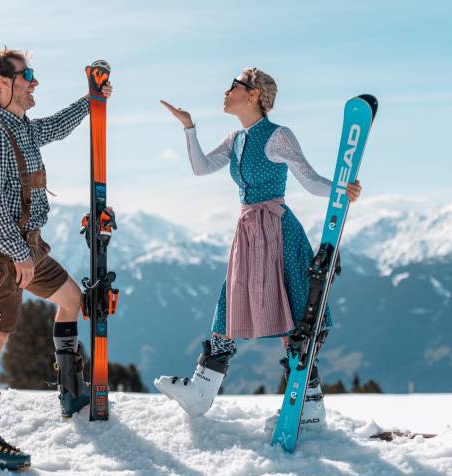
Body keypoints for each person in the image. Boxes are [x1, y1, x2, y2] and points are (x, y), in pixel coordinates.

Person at [154, 68, 361, 433]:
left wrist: (342, 189)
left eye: (233, 86)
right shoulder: (236, 138)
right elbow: (201, 168)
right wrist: (189, 127)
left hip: (278, 229)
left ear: (253, 95)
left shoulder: (278, 136)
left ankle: (309, 404)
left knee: (296, 308)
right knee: (230, 301)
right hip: (248, 230)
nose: (225, 91)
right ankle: (201, 389)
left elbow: (310, 180)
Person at [0, 48, 112, 470]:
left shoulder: (22, 127)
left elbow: (54, 126)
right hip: (1, 248)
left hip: (28, 245)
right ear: (2, 84)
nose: (34, 81)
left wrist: (92, 101)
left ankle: (71, 391)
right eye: (26, 74)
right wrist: (16, 254)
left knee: (71, 299)